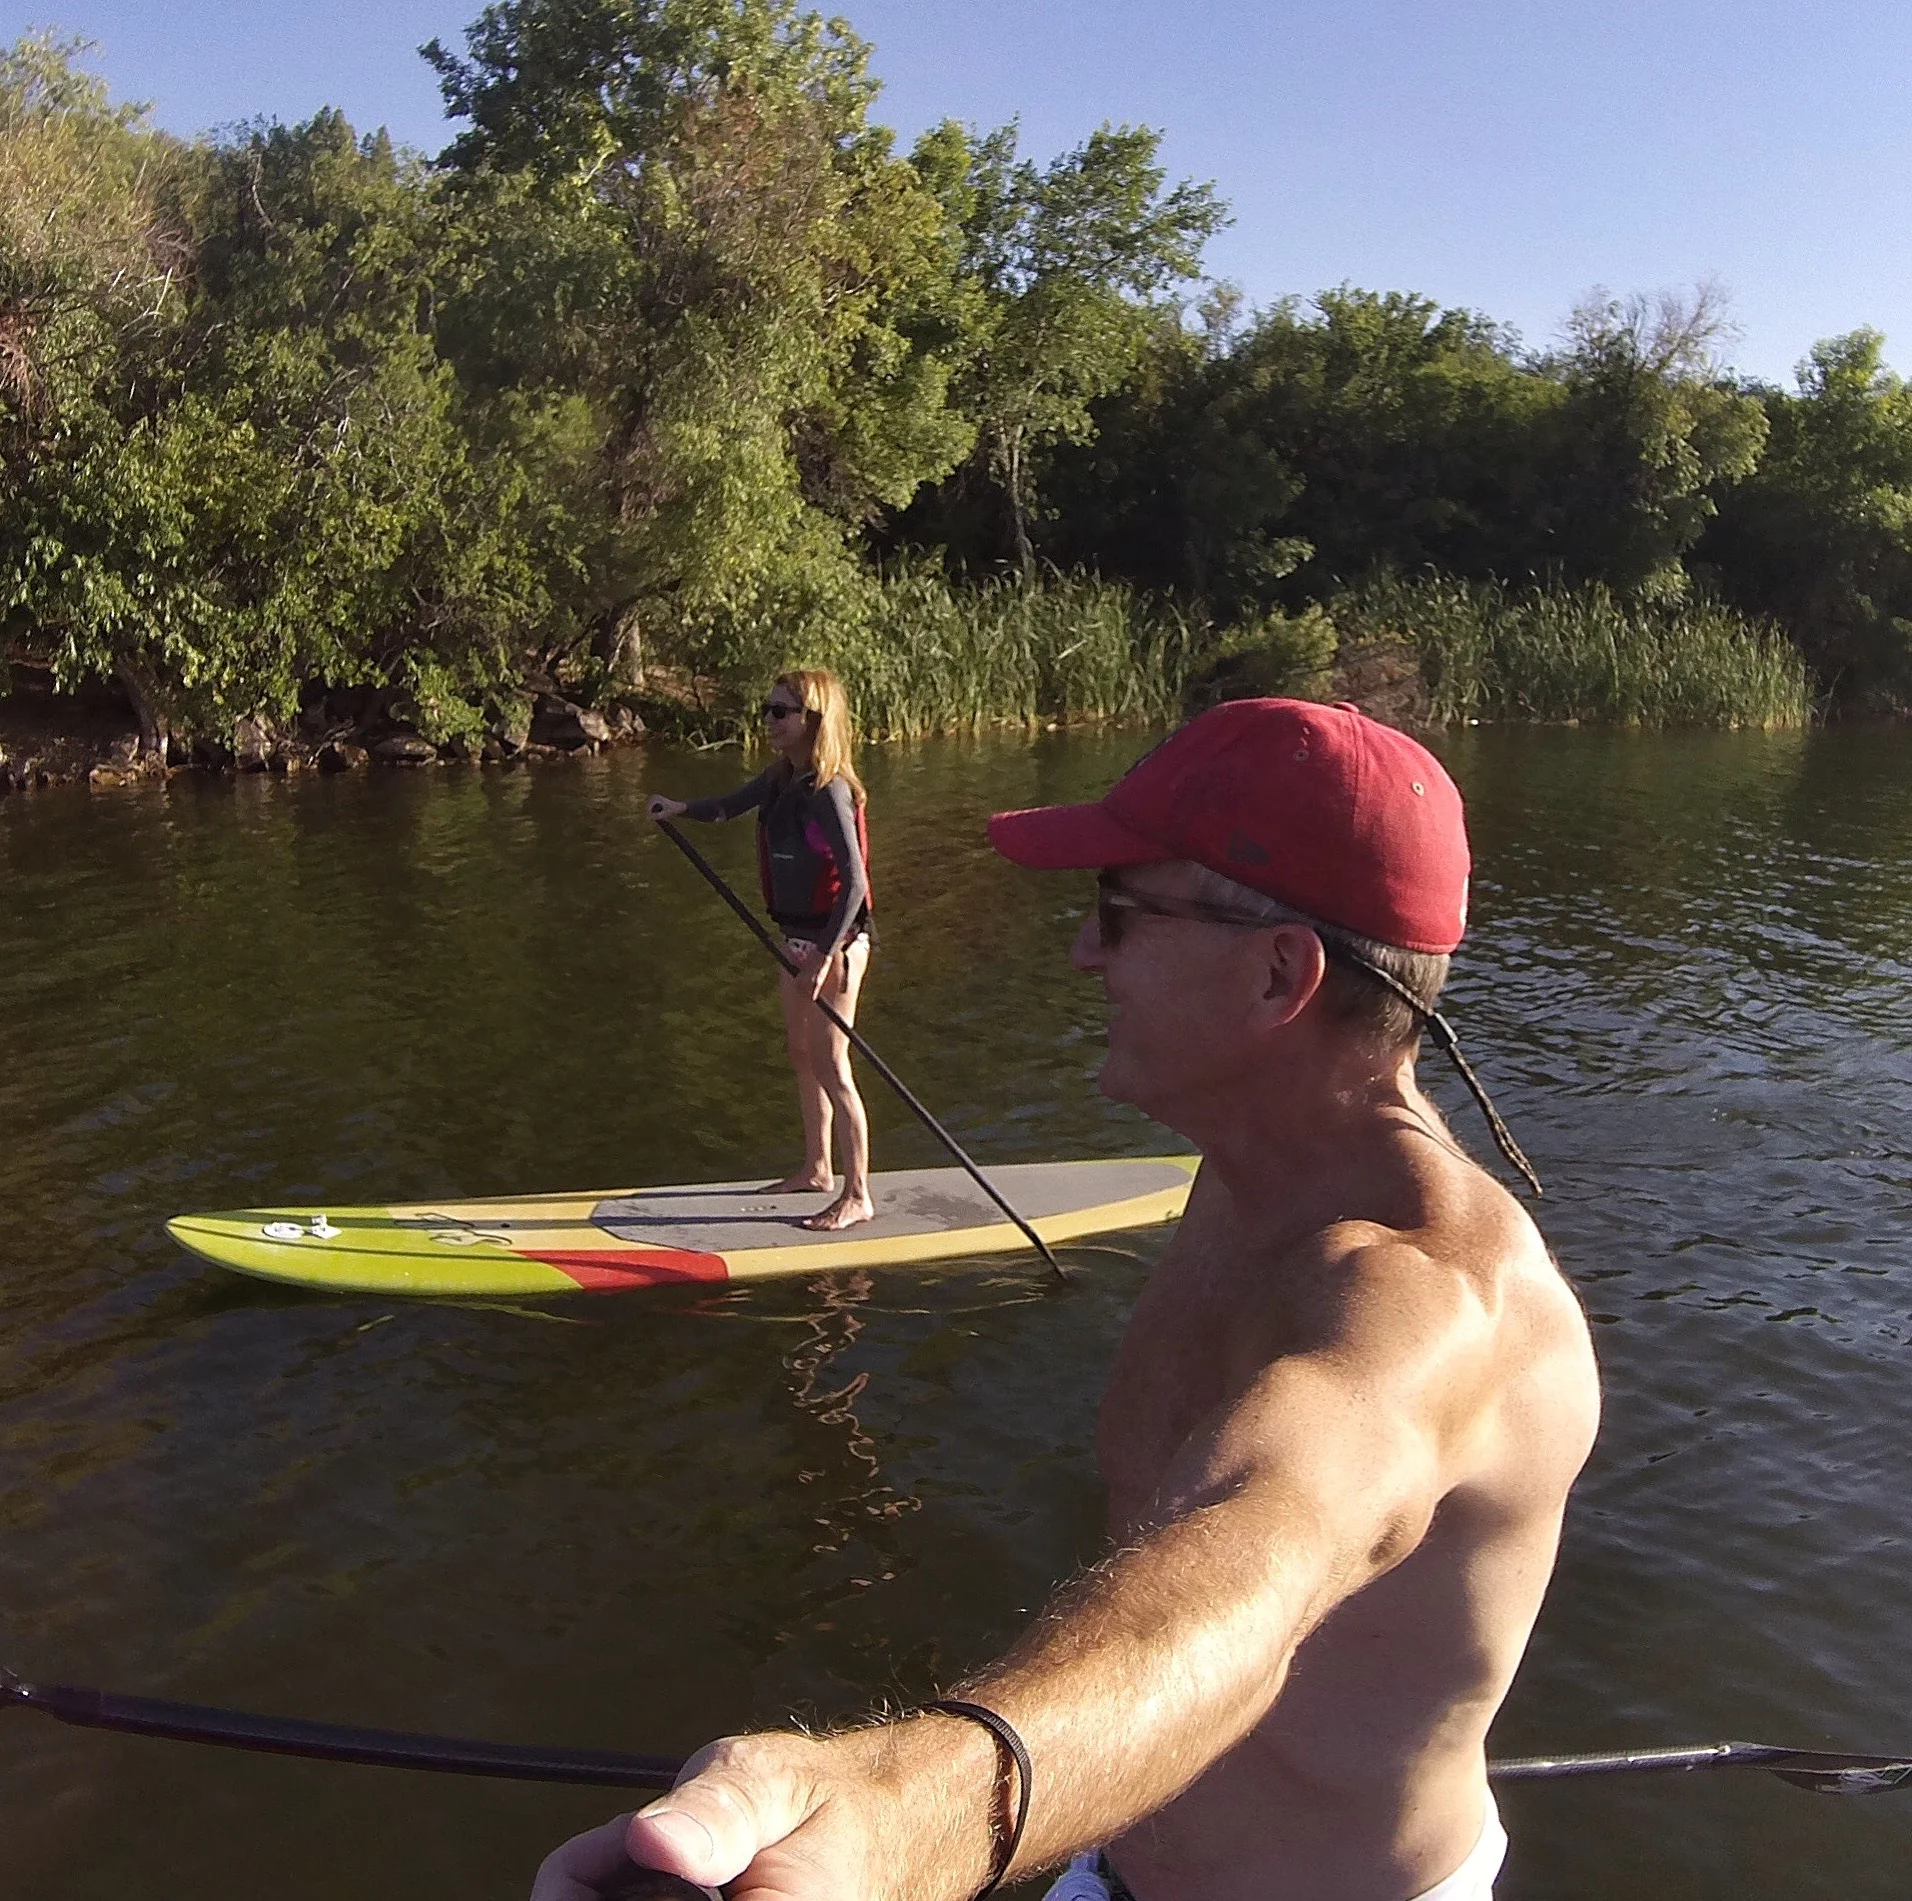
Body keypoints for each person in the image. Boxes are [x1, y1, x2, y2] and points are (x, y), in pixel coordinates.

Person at [544, 697, 1601, 1901]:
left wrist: (905, 1811)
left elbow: (1262, 1555)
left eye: (1118, 910)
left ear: (1278, 973)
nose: (1083, 952)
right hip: (1103, 1854)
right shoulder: (1248, 1166)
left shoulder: (1433, 1307)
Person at [647, 668, 876, 1233]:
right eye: (768, 710)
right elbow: (727, 806)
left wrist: (823, 959)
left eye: (781, 712)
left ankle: (859, 1195)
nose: (770, 722)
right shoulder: (780, 780)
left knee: (832, 1064)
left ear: (813, 720)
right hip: (794, 941)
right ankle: (817, 1169)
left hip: (837, 946)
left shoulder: (831, 792)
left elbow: (855, 885)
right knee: (801, 1055)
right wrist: (678, 809)